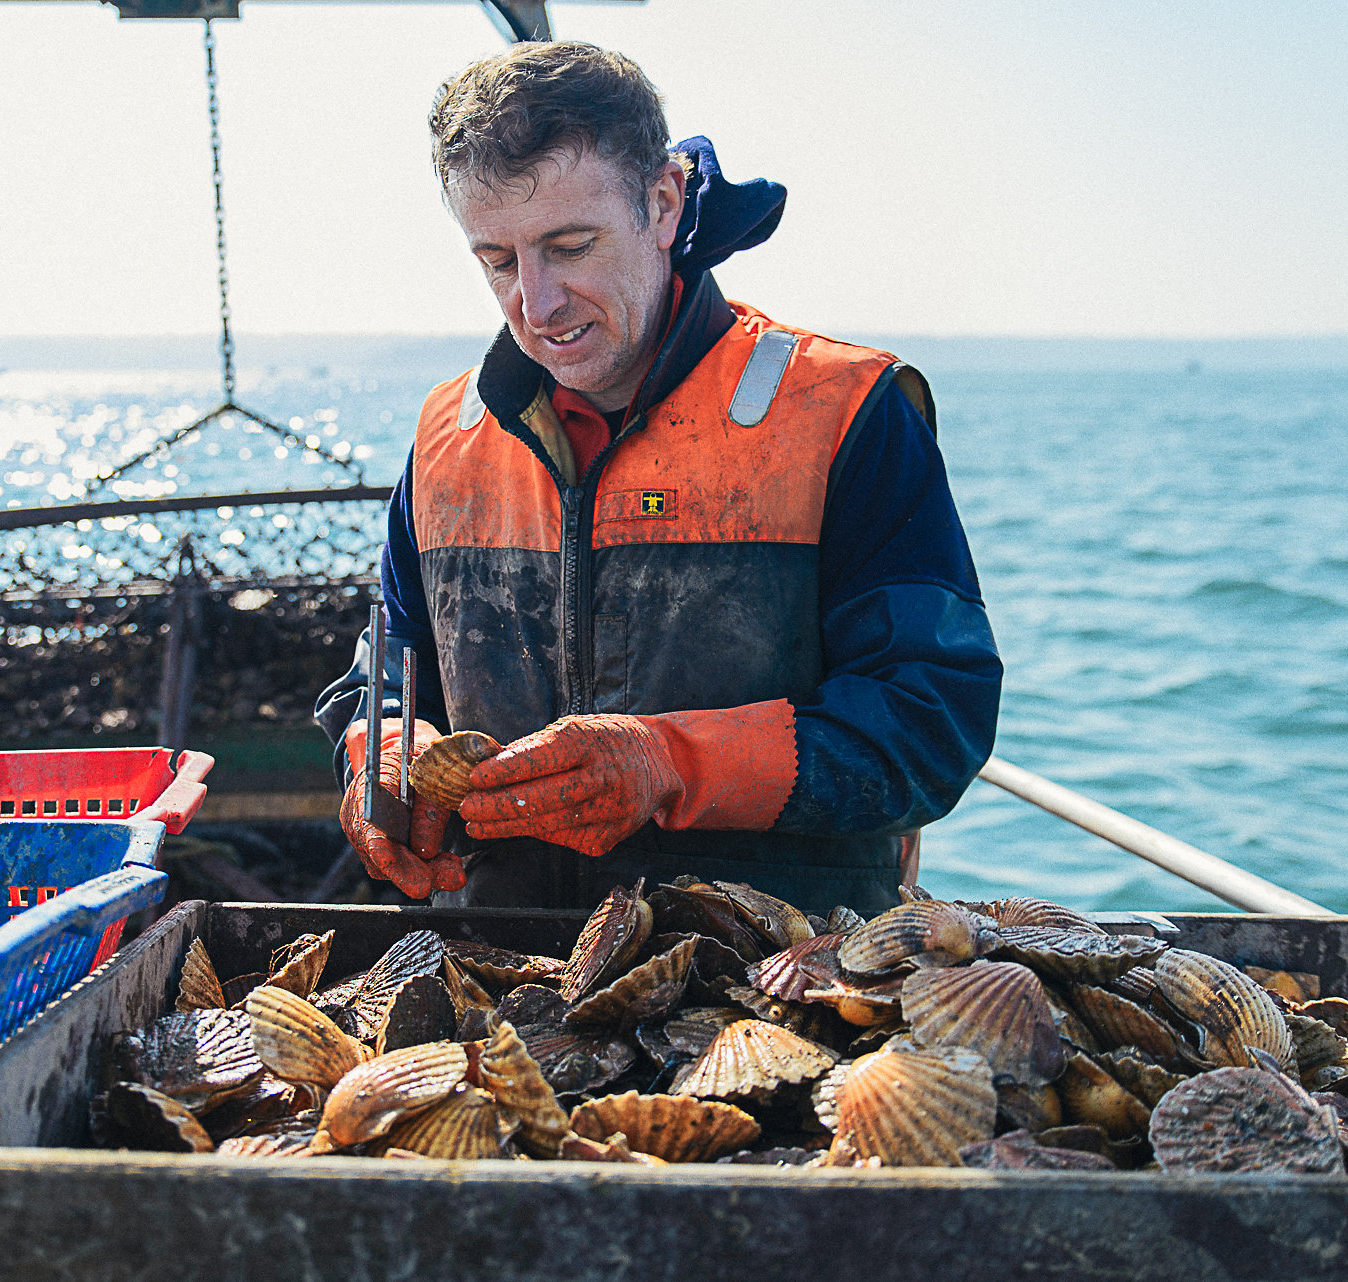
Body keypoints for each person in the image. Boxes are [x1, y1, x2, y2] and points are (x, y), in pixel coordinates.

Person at [317, 41, 1002, 915]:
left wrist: (670, 763)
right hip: (503, 966)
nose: (538, 301)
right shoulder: (447, 434)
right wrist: (381, 748)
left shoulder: (844, 410)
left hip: (776, 973)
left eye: (570, 246)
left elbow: (935, 718)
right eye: (498, 260)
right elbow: (387, 664)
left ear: (664, 204)